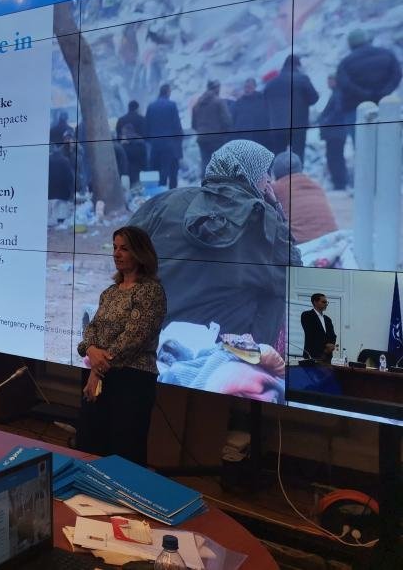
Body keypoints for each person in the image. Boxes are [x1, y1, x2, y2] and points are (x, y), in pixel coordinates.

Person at [128, 139, 301, 348]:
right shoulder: (260, 218)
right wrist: (275, 209)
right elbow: (294, 271)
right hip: (220, 347)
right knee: (277, 289)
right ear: (249, 174)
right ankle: (254, 354)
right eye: (264, 172)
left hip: (153, 332)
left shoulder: (164, 202)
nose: (269, 180)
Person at [75, 226, 166, 466]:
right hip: (100, 377)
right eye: (115, 247)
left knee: (123, 453)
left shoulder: (150, 291)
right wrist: (90, 349)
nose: (116, 253)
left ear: (140, 252)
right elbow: (92, 328)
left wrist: (96, 370)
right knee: (89, 446)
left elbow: (133, 338)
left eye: (124, 248)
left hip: (131, 381)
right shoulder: (110, 292)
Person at [270, 150, 337, 244]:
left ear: (275, 172)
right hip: (331, 239)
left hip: (301, 243)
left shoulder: (275, 188)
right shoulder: (316, 186)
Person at [263, 54, 318, 161]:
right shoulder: (302, 79)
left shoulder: (271, 83)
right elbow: (314, 98)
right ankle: (296, 172)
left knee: (279, 156)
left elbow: (264, 102)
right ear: (297, 65)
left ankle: (280, 172)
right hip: (298, 125)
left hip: (277, 126)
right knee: (297, 156)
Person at [335, 28, 402, 116]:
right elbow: (397, 75)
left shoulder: (345, 63)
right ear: (367, 40)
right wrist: (385, 92)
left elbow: (344, 84)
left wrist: (366, 94)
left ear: (350, 44)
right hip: (386, 103)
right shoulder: (387, 54)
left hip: (356, 107)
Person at [144, 84, 184, 189]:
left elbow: (147, 126)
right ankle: (172, 192)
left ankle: (160, 192)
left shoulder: (151, 106)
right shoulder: (172, 105)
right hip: (170, 144)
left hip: (155, 144)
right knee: (172, 170)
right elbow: (176, 125)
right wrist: (179, 140)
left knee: (157, 170)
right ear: (168, 92)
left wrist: (149, 141)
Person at [191, 79, 232, 177]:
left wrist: (201, 131)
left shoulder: (198, 103)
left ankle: (205, 183)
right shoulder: (219, 102)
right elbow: (227, 120)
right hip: (217, 138)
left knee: (205, 162)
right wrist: (225, 132)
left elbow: (193, 124)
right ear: (216, 88)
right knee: (218, 164)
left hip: (202, 138)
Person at [317, 74, 352, 190]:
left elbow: (337, 111)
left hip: (335, 132)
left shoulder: (338, 94)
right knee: (335, 157)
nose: (328, 83)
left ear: (335, 81)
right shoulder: (337, 93)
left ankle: (340, 183)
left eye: (330, 80)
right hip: (336, 132)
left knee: (335, 157)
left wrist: (325, 121)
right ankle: (339, 182)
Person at [48, 133, 78, 229]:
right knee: (61, 214)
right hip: (62, 194)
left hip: (49, 193)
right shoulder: (64, 160)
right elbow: (70, 178)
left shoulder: (46, 160)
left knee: (51, 214)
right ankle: (60, 221)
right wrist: (71, 192)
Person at [231, 77, 270, 147]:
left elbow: (266, 118)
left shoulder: (262, 100)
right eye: (245, 87)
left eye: (249, 87)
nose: (247, 89)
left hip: (258, 137)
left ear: (254, 87)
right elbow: (234, 119)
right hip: (242, 138)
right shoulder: (239, 102)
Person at [301, 293, 336, 362]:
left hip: (327, 356)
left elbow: (333, 335)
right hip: (312, 354)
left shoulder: (327, 319)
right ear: (315, 302)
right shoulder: (307, 315)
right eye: (323, 302)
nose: (326, 304)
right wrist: (326, 347)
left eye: (327, 302)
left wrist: (331, 345)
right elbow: (311, 333)